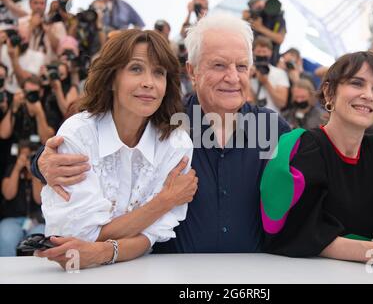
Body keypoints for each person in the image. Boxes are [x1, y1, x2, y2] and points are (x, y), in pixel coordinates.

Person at [32, 14, 291, 254]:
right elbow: (102, 135)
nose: (232, 77)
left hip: (252, 277)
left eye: (242, 67)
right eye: (219, 65)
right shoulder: (167, 121)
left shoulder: (270, 127)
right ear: (192, 71)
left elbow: (310, 175)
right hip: (168, 275)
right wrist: (42, 162)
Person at [260, 51, 373, 273]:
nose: (368, 95)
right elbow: (297, 232)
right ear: (329, 91)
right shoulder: (300, 150)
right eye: (357, 83)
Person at [33, 29, 197, 269]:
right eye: (136, 68)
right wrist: (164, 201)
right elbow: (76, 238)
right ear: (111, 77)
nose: (149, 83)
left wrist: (101, 251)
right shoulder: (80, 133)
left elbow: (152, 235)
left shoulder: (177, 143)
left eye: (158, 73)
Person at [0, 140, 45, 256]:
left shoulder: (40, 173)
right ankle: (8, 272)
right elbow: (8, 194)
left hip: (36, 221)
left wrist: (33, 171)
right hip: (12, 219)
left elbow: (39, 199)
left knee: (42, 235)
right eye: (23, 155)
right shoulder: (11, 169)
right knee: (6, 236)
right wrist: (17, 168)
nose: (25, 158)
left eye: (29, 156)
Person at [249, 36, 289, 112]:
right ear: (253, 52)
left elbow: (281, 103)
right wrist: (248, 79)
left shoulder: (280, 73)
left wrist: (266, 83)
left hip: (271, 119)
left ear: (270, 52)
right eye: (258, 52)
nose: (261, 55)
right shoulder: (248, 72)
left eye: (264, 52)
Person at [243, 0, 286, 66]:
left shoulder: (278, 18)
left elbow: (280, 39)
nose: (262, 10)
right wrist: (244, 20)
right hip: (252, 58)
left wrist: (260, 28)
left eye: (262, 6)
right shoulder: (253, 17)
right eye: (258, 8)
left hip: (271, 60)